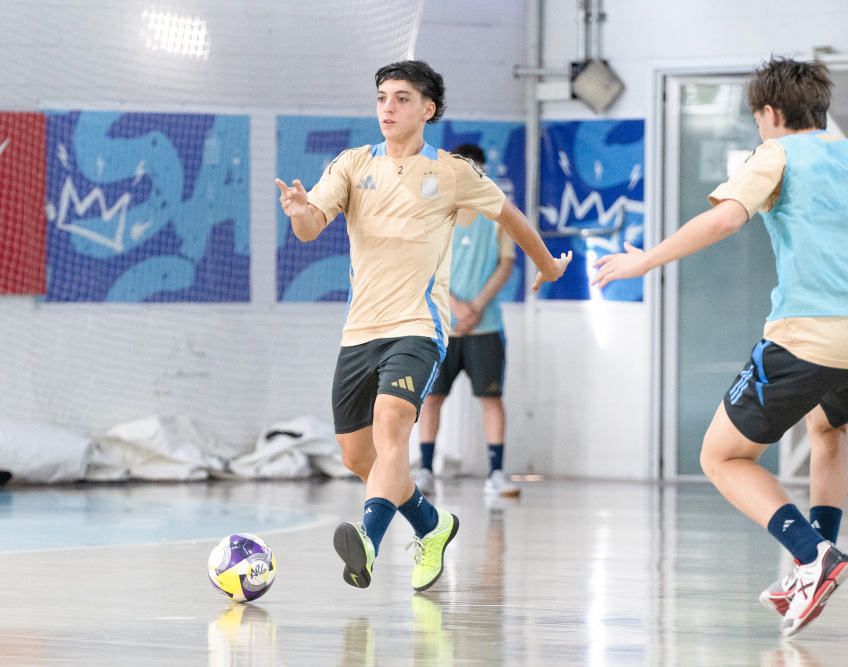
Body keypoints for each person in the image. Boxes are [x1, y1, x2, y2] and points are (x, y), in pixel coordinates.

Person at [276, 60, 570, 591]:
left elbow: (510, 216)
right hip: (359, 332)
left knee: (391, 424)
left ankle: (367, 541)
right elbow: (310, 228)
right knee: (358, 457)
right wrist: (299, 210)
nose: (387, 107)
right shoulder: (352, 163)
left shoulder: (453, 172)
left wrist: (547, 266)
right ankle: (432, 526)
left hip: (418, 326)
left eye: (402, 98)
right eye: (382, 97)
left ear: (427, 109)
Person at [592, 57, 848, 637]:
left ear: (771, 112)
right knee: (827, 429)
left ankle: (814, 556)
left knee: (722, 457)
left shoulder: (776, 153)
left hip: (807, 334)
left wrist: (644, 261)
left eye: (757, 119)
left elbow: (726, 220)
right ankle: (816, 563)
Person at [415, 143, 522, 499]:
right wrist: (455, 306)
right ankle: (425, 471)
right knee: (431, 399)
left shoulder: (498, 213)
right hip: (441, 326)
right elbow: (423, 267)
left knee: (491, 399)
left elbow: (506, 264)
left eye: (477, 170)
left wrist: (475, 306)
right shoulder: (434, 212)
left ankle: (497, 473)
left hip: (486, 326)